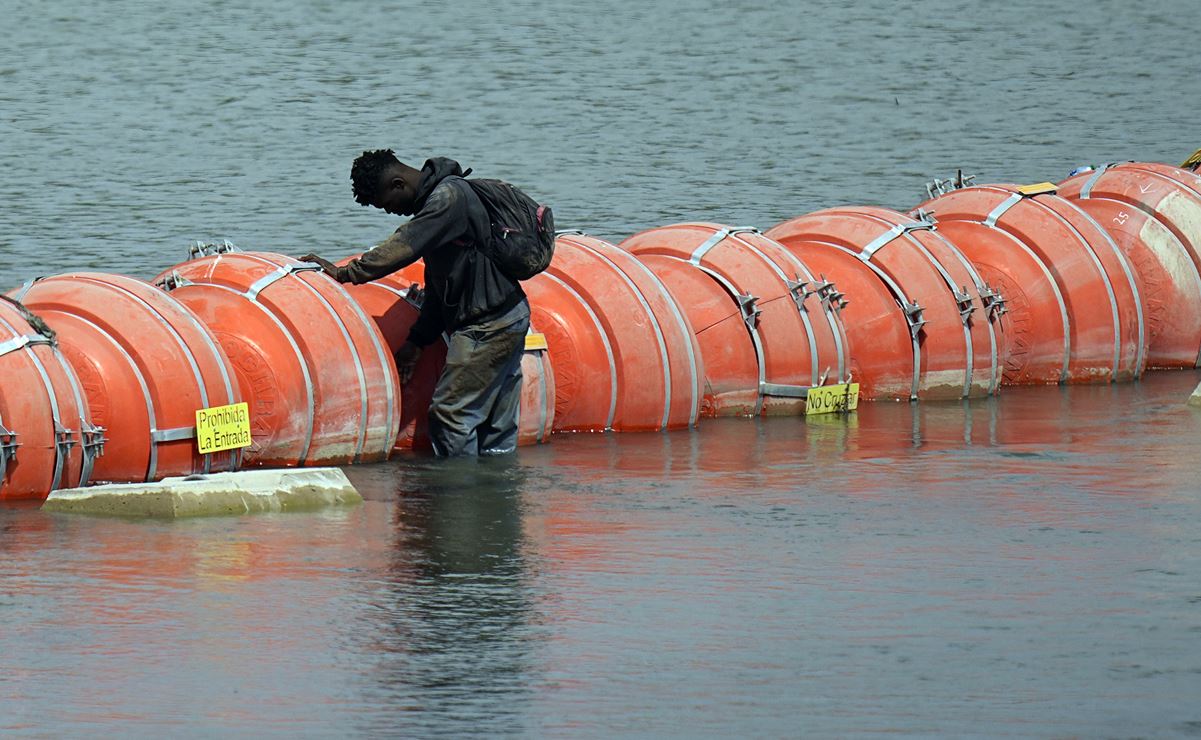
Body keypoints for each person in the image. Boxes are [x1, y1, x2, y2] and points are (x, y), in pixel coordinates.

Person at [302, 150, 530, 458]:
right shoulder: (446, 202)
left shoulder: (447, 200)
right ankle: (496, 495)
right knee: (495, 426)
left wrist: (345, 273)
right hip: (508, 315)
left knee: (451, 417)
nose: (390, 212)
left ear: (398, 184)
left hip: (486, 326)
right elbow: (441, 287)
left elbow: (404, 245)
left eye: (387, 204)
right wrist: (418, 340)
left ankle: (460, 498)